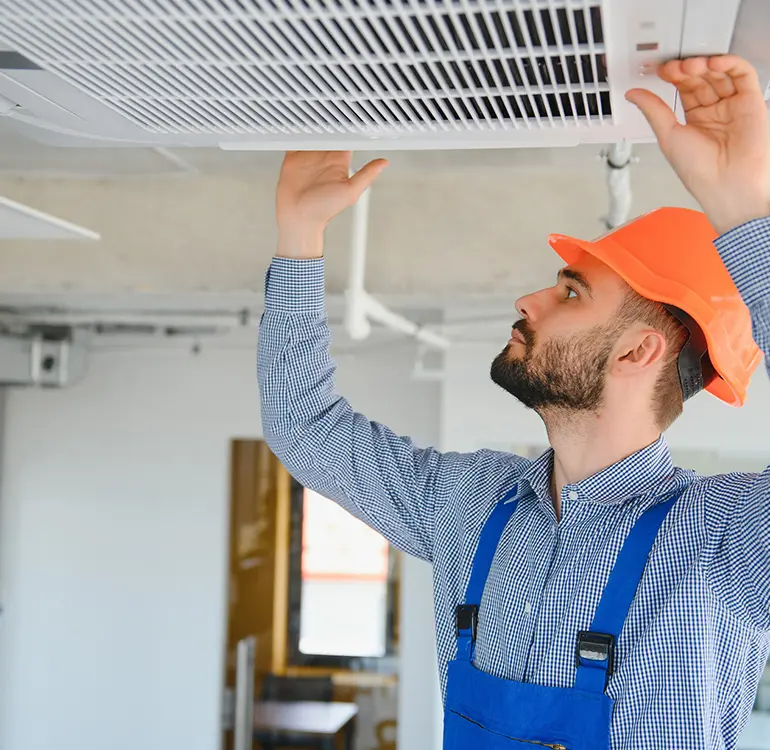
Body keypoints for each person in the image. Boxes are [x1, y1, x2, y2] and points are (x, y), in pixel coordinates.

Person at [258, 55, 770, 750]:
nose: (528, 299)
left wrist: (746, 212)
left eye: (569, 293)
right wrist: (299, 238)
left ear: (638, 352)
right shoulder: (469, 503)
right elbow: (304, 427)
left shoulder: (726, 540)